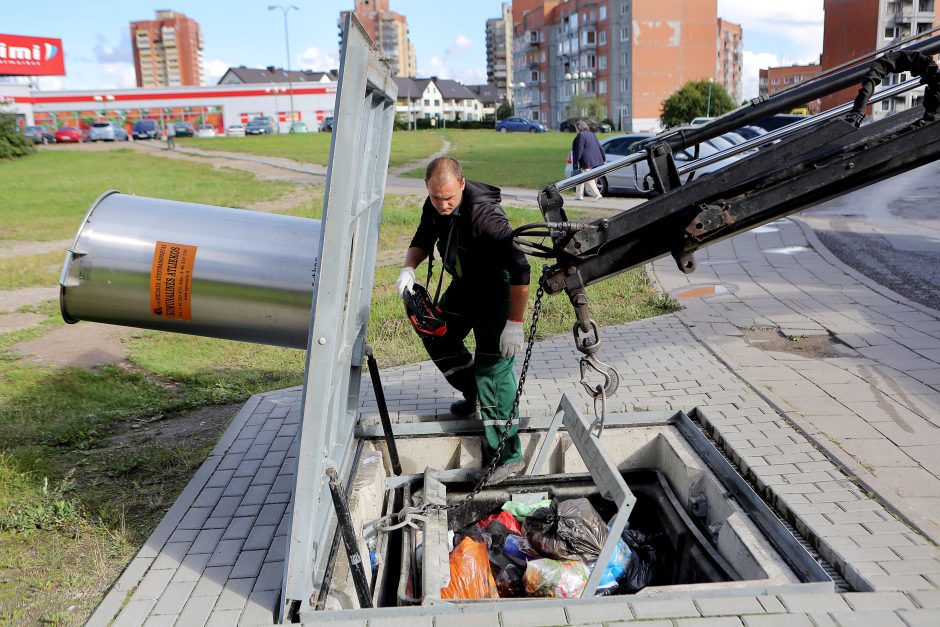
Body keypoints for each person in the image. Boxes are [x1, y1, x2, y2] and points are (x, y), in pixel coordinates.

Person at [396, 157, 531, 484]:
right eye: (435, 197)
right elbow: (423, 239)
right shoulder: (435, 204)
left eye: (448, 199)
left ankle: (509, 455)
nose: (442, 205)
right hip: (465, 285)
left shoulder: (486, 218)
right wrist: (409, 268)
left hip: (496, 291)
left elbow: (521, 268)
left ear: (462, 183)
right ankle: (472, 392)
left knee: (493, 369)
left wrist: (515, 323)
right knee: (435, 330)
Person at [571, 119, 605, 200]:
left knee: (587, 177)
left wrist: (576, 161)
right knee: (581, 176)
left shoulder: (581, 135)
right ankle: (578, 195)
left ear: (579, 128)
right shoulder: (591, 134)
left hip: (586, 160)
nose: (575, 130)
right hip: (595, 159)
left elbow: (579, 149)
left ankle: (597, 194)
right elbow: (600, 147)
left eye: (576, 128)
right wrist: (603, 158)